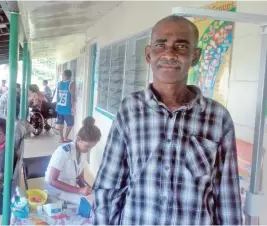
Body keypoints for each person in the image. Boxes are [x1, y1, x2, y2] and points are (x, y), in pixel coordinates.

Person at [93, 15, 242, 225]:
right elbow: (109, 185)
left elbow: (228, 199)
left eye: (181, 46)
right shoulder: (129, 110)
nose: (169, 53)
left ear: (195, 56)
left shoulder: (218, 118)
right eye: (160, 45)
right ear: (148, 54)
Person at [45, 116, 101, 197]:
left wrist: (88, 189)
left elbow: (80, 178)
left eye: (92, 147)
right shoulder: (63, 152)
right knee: (87, 207)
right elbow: (52, 181)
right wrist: (79, 190)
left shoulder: (82, 151)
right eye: (87, 146)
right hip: (55, 191)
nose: (89, 150)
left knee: (92, 202)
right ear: (78, 139)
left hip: (70, 189)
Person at [56, 70, 76, 143]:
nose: (62, 75)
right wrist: (73, 108)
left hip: (59, 107)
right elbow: (72, 97)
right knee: (70, 124)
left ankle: (61, 138)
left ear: (65, 75)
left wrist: (56, 106)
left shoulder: (59, 83)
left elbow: (57, 96)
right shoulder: (71, 83)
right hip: (67, 108)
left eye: (62, 74)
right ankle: (66, 137)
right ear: (70, 76)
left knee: (60, 124)